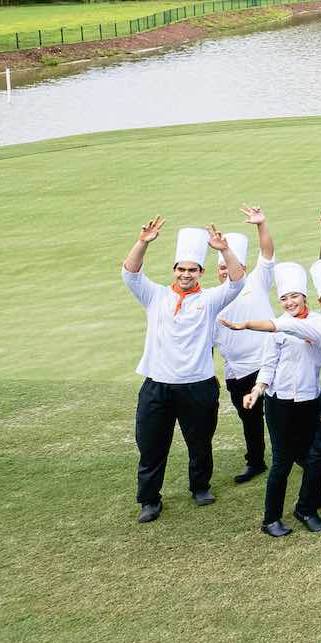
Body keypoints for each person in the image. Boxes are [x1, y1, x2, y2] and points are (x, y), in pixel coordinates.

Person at [121, 220, 245, 524]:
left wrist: (225, 249)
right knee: (151, 445)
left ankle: (200, 486)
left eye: (192, 270)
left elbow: (238, 283)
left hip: (198, 385)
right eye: (181, 269)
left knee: (200, 442)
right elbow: (130, 273)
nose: (185, 274)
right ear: (174, 270)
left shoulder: (210, 299)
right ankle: (149, 500)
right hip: (158, 386)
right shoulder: (155, 296)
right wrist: (144, 242)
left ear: (201, 272)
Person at [241, 258, 321, 535]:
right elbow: (269, 364)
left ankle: (307, 507)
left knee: (313, 458)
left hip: (311, 400)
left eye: (294, 296)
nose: (289, 302)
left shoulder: (320, 324)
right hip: (280, 402)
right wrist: (257, 389)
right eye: (284, 298)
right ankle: (270, 519)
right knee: (282, 463)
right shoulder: (276, 327)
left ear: (304, 296)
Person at [211, 224, 270, 485]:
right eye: (221, 267)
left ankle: (300, 456)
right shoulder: (212, 298)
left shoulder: (256, 281)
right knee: (250, 419)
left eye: (230, 266)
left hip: (268, 362)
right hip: (237, 371)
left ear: (242, 267)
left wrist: (261, 224)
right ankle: (255, 461)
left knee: (289, 412)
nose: (226, 272)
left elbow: (267, 252)